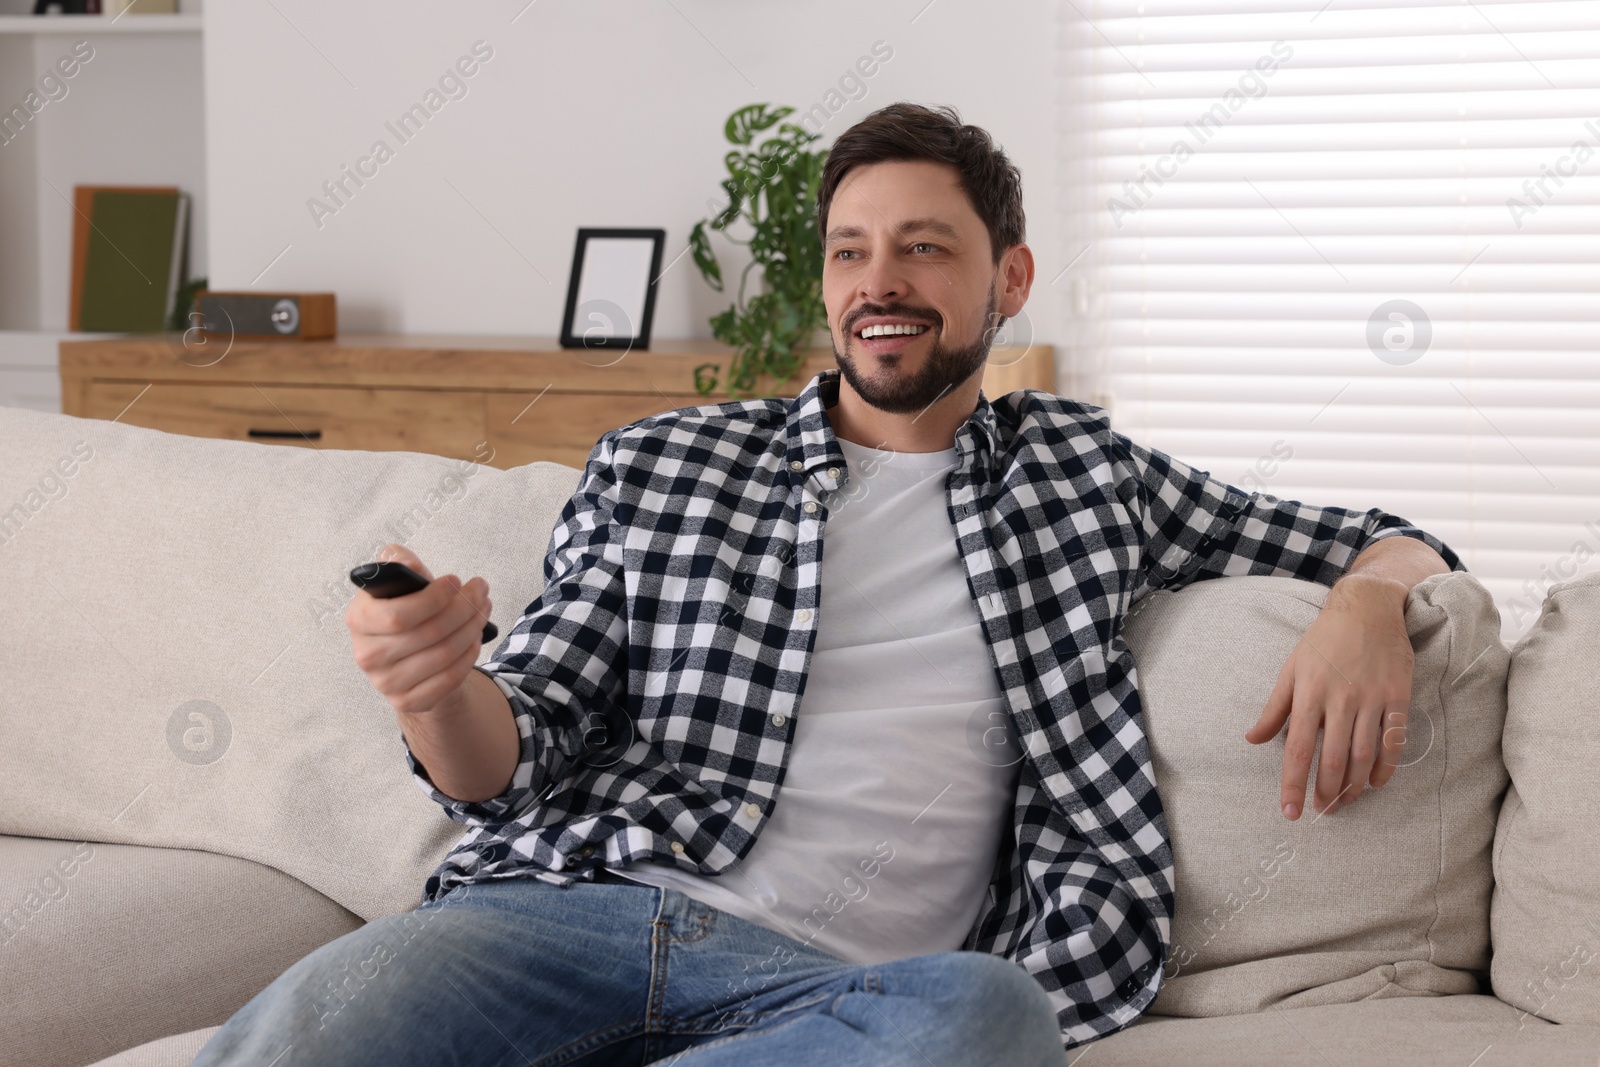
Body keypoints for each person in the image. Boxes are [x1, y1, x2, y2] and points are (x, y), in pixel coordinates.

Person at [193, 102, 1461, 1066]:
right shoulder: (665, 462)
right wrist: (435, 686)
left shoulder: (1088, 474)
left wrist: (1364, 602)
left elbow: (1384, 534)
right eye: (851, 251)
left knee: (992, 1013)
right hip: (571, 916)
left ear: (1005, 280)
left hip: (849, 987)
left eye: (923, 246)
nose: (881, 282)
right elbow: (506, 758)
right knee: (317, 1015)